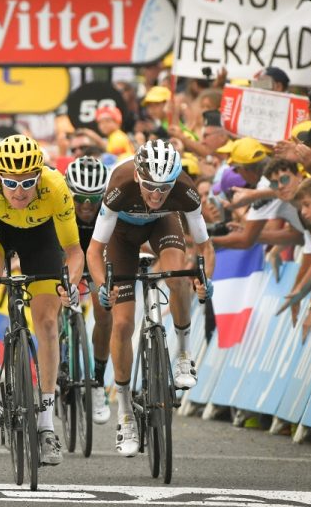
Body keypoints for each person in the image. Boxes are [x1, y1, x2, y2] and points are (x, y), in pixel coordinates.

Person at [0, 134, 85, 466]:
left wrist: (71, 283)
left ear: (40, 175)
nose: (19, 191)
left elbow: (73, 251)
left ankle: (46, 425)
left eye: (28, 182)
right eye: (10, 182)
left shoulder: (55, 187)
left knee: (48, 324)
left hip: (41, 237)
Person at [85, 139, 216, 457]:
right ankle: (126, 411)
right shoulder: (119, 183)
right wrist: (104, 286)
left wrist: (204, 279)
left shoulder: (184, 189)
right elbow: (93, 251)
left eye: (164, 188)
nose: (156, 195)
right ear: (137, 178)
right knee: (123, 322)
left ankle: (184, 353)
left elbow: (205, 248)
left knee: (179, 279)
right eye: (150, 187)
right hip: (122, 239)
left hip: (162, 227)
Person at [64, 156, 112, 425]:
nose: (86, 205)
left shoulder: (109, 206)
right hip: (65, 249)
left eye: (93, 200)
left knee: (104, 311)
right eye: (80, 198)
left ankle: (97, 381)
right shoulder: (58, 202)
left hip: (95, 252)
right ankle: (62, 341)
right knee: (56, 292)